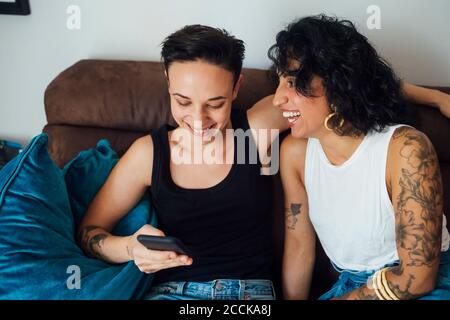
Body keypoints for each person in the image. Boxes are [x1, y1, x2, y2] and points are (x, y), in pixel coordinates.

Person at [77, 23, 450, 300]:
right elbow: (90, 232)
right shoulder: (149, 153)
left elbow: (349, 82)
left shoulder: (255, 130)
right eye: (182, 101)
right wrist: (129, 247)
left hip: (248, 297)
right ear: (167, 85)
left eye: (216, 103)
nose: (198, 120)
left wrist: (433, 97)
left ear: (236, 88)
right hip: (173, 293)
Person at [274, 15, 450, 300]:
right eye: (279, 81)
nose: (277, 99)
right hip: (350, 285)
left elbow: (417, 280)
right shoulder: (294, 152)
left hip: (422, 287)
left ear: (337, 83)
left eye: (293, 82)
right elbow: (299, 247)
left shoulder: (406, 149)